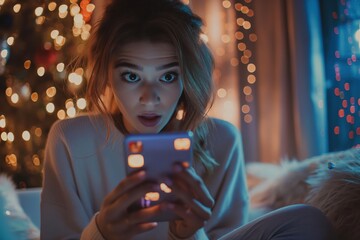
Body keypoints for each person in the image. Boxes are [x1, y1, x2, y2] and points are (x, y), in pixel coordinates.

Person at [40, 0, 336, 239]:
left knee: (306, 220)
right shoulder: (70, 139)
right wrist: (102, 233)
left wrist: (189, 235)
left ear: (187, 76)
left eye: (168, 76)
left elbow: (229, 234)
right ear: (108, 75)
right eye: (132, 76)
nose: (150, 97)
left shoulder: (221, 140)